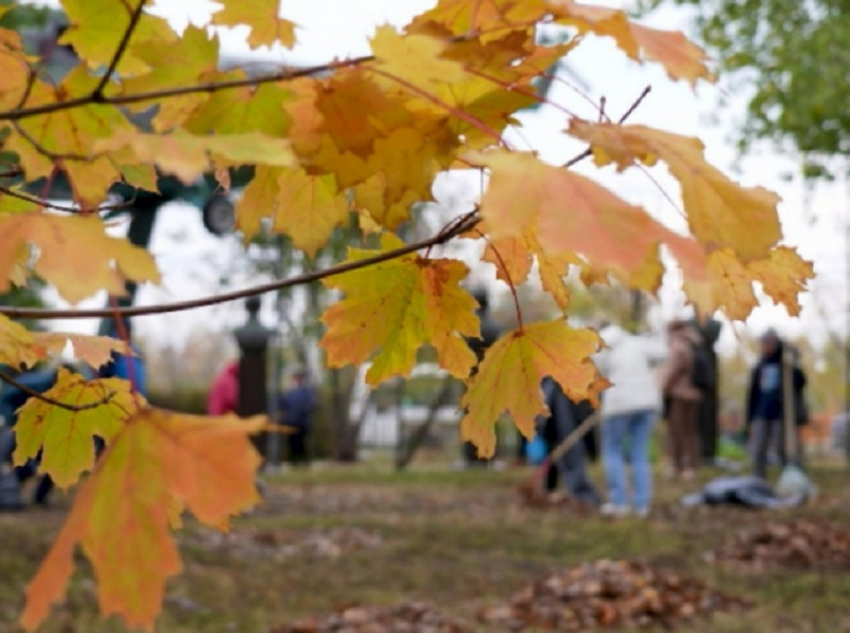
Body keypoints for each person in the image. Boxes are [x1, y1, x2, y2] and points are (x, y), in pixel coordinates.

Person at [595, 322, 667, 517]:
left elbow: (594, 372)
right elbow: (662, 353)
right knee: (639, 452)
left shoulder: (600, 345)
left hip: (618, 404)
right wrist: (658, 333)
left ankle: (619, 502)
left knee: (612, 450)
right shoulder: (636, 342)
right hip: (646, 403)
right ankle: (641, 504)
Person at [746, 329, 807, 479]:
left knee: (782, 447)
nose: (765, 346)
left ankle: (788, 475)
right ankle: (758, 477)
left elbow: (800, 383)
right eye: (763, 343)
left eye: (769, 343)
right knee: (758, 447)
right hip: (761, 413)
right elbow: (752, 393)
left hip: (781, 413)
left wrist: (795, 361)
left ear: (776, 344)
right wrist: (750, 417)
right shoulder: (759, 366)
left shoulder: (785, 366)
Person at [535, 377, 601, 506]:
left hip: (567, 422)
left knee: (570, 455)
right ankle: (550, 488)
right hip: (558, 421)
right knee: (556, 451)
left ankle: (584, 496)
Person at [661, 319, 703, 481]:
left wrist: (664, 386)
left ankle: (683, 465)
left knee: (680, 431)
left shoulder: (678, 343)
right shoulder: (691, 341)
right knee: (687, 430)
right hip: (691, 393)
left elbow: (677, 367)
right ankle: (684, 464)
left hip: (680, 393)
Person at [279, 369, 317, 465]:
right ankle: (294, 461)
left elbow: (310, 405)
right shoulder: (289, 392)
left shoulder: (306, 391)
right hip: (290, 421)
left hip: (302, 422)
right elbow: (283, 404)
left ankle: (303, 461)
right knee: (292, 443)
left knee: (302, 443)